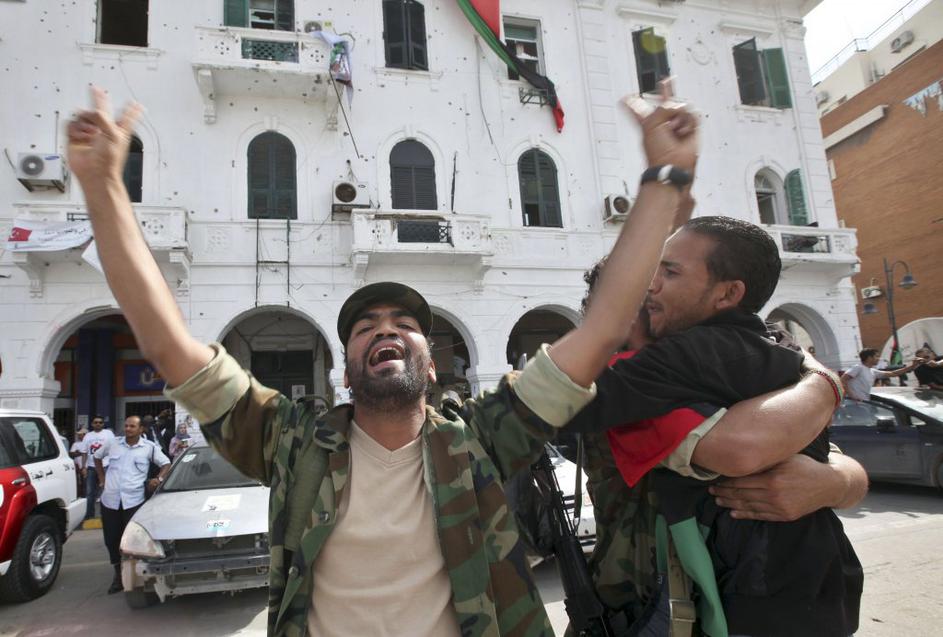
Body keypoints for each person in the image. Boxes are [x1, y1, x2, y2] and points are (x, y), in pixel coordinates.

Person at [67, 83, 856, 636]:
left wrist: (665, 178)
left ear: (434, 358)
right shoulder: (289, 439)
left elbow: (602, 327)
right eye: (365, 326)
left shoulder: (483, 434)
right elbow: (169, 344)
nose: (386, 330)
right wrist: (103, 185)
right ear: (345, 366)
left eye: (405, 324)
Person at [573, 219, 863, 636]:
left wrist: (835, 481)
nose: (655, 291)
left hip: (767, 595)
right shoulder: (651, 387)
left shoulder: (723, 362)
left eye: (667, 275)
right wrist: (824, 384)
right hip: (651, 605)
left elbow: (830, 461)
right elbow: (743, 447)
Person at [94, 415, 171, 594]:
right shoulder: (113, 444)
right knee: (112, 539)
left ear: (141, 429)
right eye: (126, 426)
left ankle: (134, 575)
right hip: (110, 500)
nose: (128, 429)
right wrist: (102, 478)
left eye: (132, 426)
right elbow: (97, 457)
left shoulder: (149, 448)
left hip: (134, 501)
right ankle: (117, 575)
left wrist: (158, 479)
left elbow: (166, 463)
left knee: (132, 540)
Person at [841, 348, 925, 400]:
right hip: (854, 403)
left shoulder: (873, 371)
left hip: (864, 402)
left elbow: (892, 373)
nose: (878, 358)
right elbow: (842, 380)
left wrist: (912, 366)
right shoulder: (858, 367)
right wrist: (852, 396)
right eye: (876, 356)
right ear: (869, 357)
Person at [82, 415, 115, 520]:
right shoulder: (88, 436)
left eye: (100, 422)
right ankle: (89, 515)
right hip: (91, 467)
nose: (98, 424)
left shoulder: (108, 434)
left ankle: (104, 514)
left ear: (103, 424)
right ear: (92, 424)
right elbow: (84, 452)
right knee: (89, 492)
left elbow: (115, 448)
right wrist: (84, 467)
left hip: (106, 466)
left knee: (106, 491)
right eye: (96, 422)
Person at [70, 429, 88, 497]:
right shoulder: (75, 444)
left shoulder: (89, 443)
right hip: (78, 465)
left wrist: (79, 452)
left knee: (87, 481)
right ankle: (82, 495)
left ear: (85, 435)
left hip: (88, 465)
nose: (78, 436)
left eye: (80, 435)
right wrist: (82, 453)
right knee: (81, 481)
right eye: (78, 435)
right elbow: (71, 454)